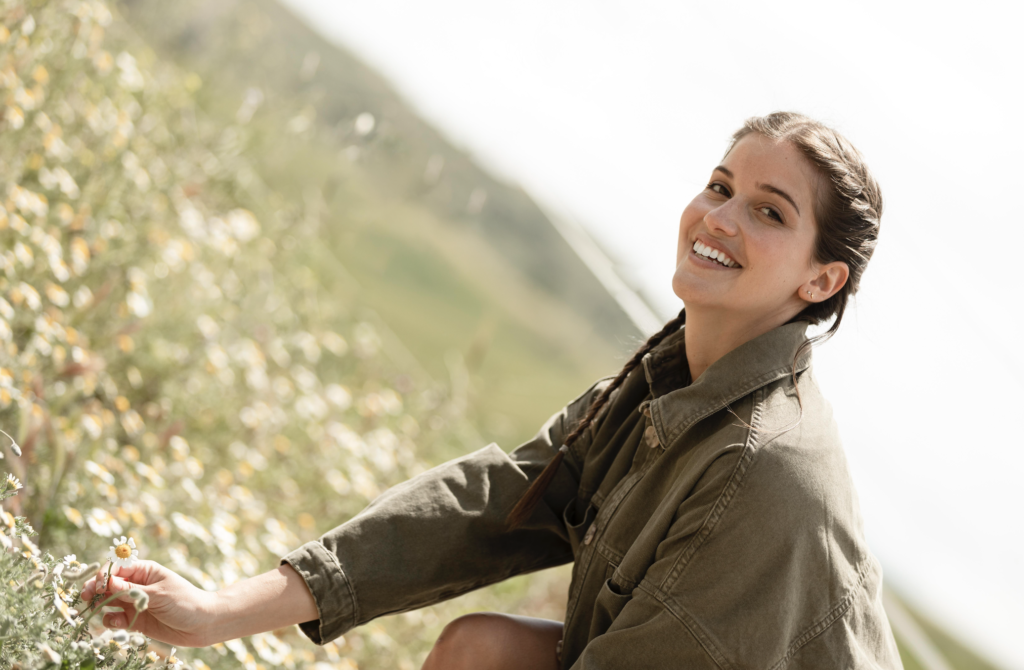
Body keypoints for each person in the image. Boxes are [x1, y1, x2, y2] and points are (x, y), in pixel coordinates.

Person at [84, 112, 902, 669]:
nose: (720, 218)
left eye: (769, 212)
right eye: (721, 187)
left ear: (822, 278)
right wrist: (220, 611)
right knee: (483, 651)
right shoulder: (669, 378)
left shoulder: (766, 470)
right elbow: (493, 506)